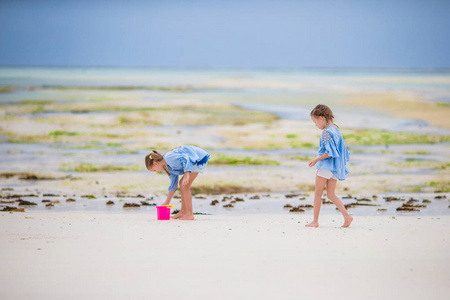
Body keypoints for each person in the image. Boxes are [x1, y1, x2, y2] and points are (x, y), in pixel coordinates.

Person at [306, 104, 353, 228]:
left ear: (321, 118)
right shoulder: (336, 129)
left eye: (315, 121)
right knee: (331, 195)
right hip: (335, 167)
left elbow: (330, 152)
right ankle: (347, 217)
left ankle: (315, 221)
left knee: (317, 194)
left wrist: (316, 159)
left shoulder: (326, 133)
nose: (315, 125)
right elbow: (341, 150)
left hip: (325, 166)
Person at [145, 145, 210, 220]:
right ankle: (183, 212)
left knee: (185, 185)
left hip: (198, 157)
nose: (157, 172)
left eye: (154, 170)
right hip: (193, 160)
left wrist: (186, 173)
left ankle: (189, 214)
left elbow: (185, 158)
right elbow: (173, 185)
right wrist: (167, 202)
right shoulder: (169, 167)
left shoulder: (168, 158)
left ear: (155, 163)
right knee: (182, 184)